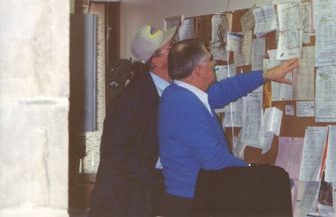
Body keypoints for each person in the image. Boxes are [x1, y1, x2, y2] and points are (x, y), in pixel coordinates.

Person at [158, 39, 299, 216]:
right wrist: (250, 170)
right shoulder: (183, 103)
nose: (214, 63)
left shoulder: (181, 92)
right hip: (191, 201)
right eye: (209, 60)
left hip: (196, 194)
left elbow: (224, 91)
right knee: (275, 181)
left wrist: (266, 75)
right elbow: (212, 158)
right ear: (199, 70)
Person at [88, 24, 178, 217]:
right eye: (171, 47)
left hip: (149, 193)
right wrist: (160, 179)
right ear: (156, 59)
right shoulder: (131, 100)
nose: (178, 51)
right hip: (127, 201)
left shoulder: (172, 91)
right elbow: (117, 156)